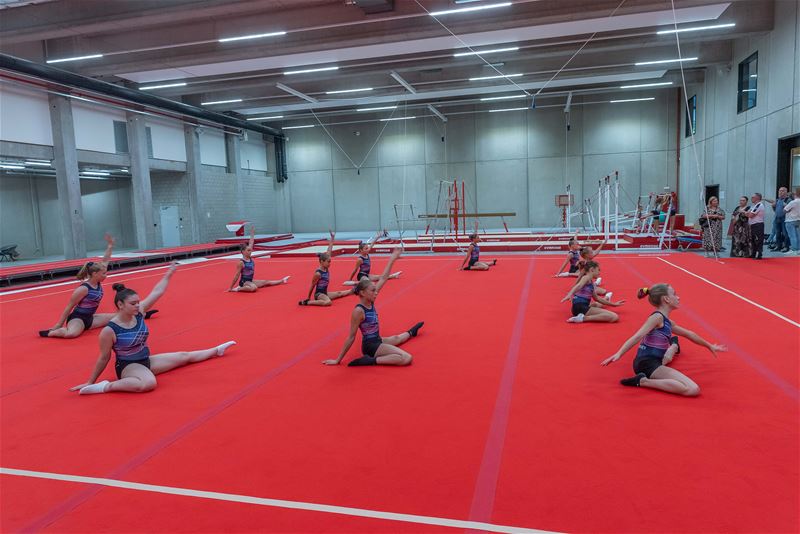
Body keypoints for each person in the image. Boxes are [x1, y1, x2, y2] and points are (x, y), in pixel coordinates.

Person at [70, 264, 236, 395]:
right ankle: (105, 387)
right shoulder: (109, 330)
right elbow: (103, 358)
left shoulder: (140, 313)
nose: (137, 306)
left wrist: (168, 274)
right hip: (128, 366)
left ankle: (216, 350)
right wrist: (90, 381)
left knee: (184, 356)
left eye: (138, 302)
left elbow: (157, 291)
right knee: (149, 383)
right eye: (133, 304)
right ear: (120, 305)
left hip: (146, 360)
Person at [601, 284, 726, 396]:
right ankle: (643, 381)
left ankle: (674, 345)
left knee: (670, 353)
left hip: (657, 360)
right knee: (692, 389)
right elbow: (638, 336)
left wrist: (709, 345)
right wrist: (619, 353)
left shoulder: (667, 321)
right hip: (647, 364)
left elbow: (689, 334)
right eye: (675, 294)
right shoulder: (657, 318)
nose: (678, 298)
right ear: (666, 299)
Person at [39, 234, 157, 338]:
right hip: (78, 318)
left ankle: (144, 314)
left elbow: (105, 260)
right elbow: (69, 307)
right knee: (72, 334)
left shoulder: (98, 280)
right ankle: (51, 333)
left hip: (92, 318)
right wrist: (58, 324)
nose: (106, 275)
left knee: (119, 316)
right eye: (104, 274)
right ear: (95, 274)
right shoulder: (84, 288)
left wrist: (110, 246)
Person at [323, 248, 424, 366]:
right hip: (371, 346)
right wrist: (337, 360)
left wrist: (392, 259)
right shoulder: (359, 311)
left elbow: (383, 278)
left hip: (377, 339)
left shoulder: (371, 300)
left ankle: (412, 332)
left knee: (397, 338)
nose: (376, 293)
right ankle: (371, 360)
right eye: (373, 291)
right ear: (362, 293)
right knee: (406, 358)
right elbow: (351, 337)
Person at [299, 231, 354, 307]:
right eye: (328, 262)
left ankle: (353, 290)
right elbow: (312, 285)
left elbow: (329, 250)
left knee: (339, 293)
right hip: (319, 294)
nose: (329, 264)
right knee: (328, 302)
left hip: (325, 292)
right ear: (322, 261)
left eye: (330, 262)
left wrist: (332, 238)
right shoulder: (318, 273)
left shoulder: (325, 264)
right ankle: (308, 303)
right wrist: (308, 298)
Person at [227, 225, 289, 292]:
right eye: (248, 250)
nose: (250, 252)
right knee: (254, 288)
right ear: (243, 252)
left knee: (266, 282)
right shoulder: (241, 262)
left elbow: (251, 242)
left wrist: (252, 234)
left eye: (250, 250)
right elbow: (236, 275)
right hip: (244, 282)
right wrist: (231, 287)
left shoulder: (249, 258)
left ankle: (282, 280)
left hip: (250, 280)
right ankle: (238, 289)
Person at [560, 260, 625, 323]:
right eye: (598, 270)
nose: (599, 273)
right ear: (592, 270)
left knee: (596, 304)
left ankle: (607, 298)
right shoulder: (586, 277)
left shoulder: (591, 282)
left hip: (578, 308)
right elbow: (579, 285)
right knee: (614, 317)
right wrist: (570, 294)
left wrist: (614, 304)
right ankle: (583, 318)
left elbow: (597, 298)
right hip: (581, 308)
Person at [768, 187, 790, 252]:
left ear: (786, 192)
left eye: (782, 191)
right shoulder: (777, 200)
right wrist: (773, 207)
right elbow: (775, 210)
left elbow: (791, 210)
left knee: (785, 233)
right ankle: (778, 246)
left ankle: (786, 247)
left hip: (785, 218)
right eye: (779, 191)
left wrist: (786, 205)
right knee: (777, 233)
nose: (780, 192)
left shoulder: (788, 200)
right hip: (777, 218)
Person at [745, 193, 765, 259]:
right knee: (753, 239)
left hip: (758, 225)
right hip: (753, 225)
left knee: (758, 239)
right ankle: (753, 253)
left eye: (753, 197)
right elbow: (749, 213)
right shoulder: (754, 205)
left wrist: (746, 213)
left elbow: (751, 215)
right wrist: (748, 213)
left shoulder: (759, 205)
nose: (751, 198)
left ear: (757, 198)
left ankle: (759, 254)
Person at [783, 187, 800, 255]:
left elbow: (784, 210)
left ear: (795, 193)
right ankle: (798, 249)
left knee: (792, 236)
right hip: (798, 220)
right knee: (798, 235)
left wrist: (785, 205)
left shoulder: (793, 202)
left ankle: (794, 249)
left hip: (790, 220)